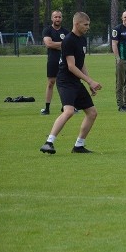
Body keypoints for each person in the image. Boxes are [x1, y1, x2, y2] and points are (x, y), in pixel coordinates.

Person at [40, 12, 102, 154]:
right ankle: (48, 142)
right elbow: (71, 66)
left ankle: (79, 146)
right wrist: (90, 81)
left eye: (88, 24)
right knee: (68, 111)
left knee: (92, 113)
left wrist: (89, 82)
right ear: (77, 24)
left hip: (76, 81)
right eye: (85, 25)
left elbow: (81, 64)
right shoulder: (68, 40)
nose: (88, 27)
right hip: (65, 81)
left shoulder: (82, 40)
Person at [40, 10, 69, 115]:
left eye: (59, 17)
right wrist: (63, 44)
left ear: (62, 18)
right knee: (51, 83)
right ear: (52, 18)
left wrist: (56, 44)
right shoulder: (47, 30)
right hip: (52, 60)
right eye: (55, 17)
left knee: (65, 83)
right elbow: (48, 44)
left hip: (65, 60)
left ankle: (65, 107)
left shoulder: (66, 32)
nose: (57, 19)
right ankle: (47, 108)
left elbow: (69, 45)